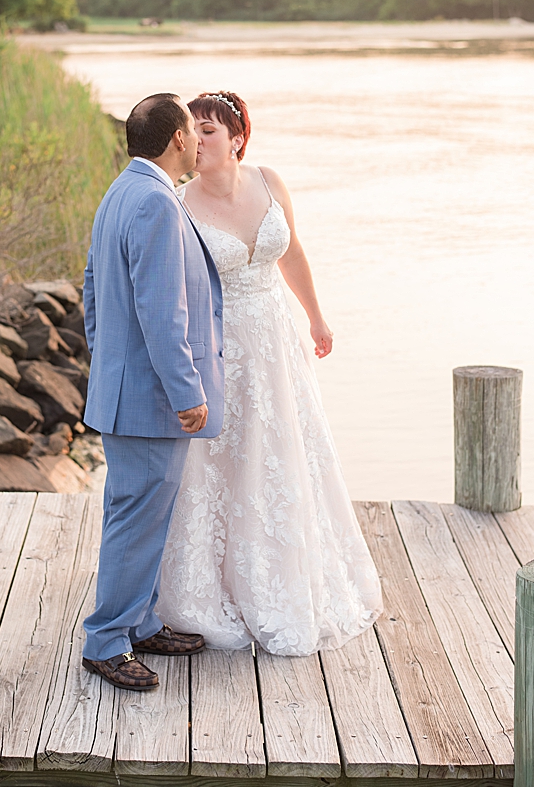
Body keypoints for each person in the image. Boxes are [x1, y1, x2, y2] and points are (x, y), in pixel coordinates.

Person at [156, 90, 382, 656]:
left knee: (286, 454)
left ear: (236, 138)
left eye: (208, 131)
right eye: (191, 131)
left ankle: (292, 572)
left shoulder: (269, 181)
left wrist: (317, 318)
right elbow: (173, 293)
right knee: (224, 461)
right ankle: (216, 584)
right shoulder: (178, 204)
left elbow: (293, 253)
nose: (196, 141)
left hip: (277, 342)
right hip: (221, 348)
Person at [81, 93, 223, 692]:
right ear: (174, 140)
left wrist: (107, 361)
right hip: (149, 400)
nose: (196, 140)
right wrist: (186, 392)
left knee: (140, 514)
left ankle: (139, 622)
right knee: (134, 519)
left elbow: (91, 291)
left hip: (125, 390)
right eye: (191, 131)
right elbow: (164, 313)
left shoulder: (120, 192)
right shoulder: (157, 204)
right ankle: (107, 641)